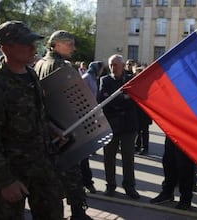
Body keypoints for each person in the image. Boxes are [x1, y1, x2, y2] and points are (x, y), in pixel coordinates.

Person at [0, 20, 63, 219]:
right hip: (12, 173)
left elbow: (34, 113)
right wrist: (5, 181)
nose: (33, 47)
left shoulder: (31, 75)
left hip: (42, 168)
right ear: (5, 48)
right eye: (25, 43)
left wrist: (51, 128)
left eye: (32, 42)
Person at [34, 30, 93, 220]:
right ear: (56, 44)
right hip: (66, 130)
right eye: (69, 43)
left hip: (48, 129)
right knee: (73, 175)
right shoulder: (62, 66)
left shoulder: (40, 64)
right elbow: (75, 101)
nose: (73, 48)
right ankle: (77, 212)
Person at [97, 54, 140, 199]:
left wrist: (118, 100)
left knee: (128, 158)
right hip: (111, 126)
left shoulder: (130, 80)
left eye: (116, 65)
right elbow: (103, 100)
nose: (113, 68)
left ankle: (130, 187)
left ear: (122, 65)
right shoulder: (105, 80)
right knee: (109, 157)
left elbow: (134, 100)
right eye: (111, 65)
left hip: (129, 125)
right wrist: (123, 99)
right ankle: (110, 186)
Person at [150, 137, 196, 210]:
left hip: (186, 135)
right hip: (172, 133)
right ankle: (167, 192)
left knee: (185, 166)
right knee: (168, 161)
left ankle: (185, 200)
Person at [80, 61, 105, 193]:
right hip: (84, 116)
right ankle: (86, 182)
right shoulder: (86, 78)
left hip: (91, 115)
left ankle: (86, 181)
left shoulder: (93, 78)